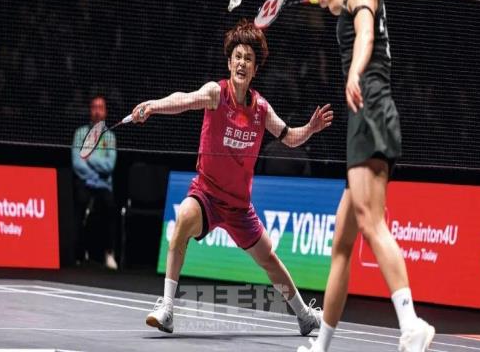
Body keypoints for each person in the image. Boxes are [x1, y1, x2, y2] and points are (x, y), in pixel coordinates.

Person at [131, 19, 333, 335]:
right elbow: (184, 100)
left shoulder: (261, 109)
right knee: (183, 220)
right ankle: (167, 309)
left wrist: (310, 128)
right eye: (237, 56)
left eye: (248, 59)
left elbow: (290, 137)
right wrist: (153, 106)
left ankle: (305, 316)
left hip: (239, 206)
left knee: (269, 259)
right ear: (229, 62)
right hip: (207, 195)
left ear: (255, 69)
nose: (241, 63)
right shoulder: (216, 94)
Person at [297, 0, 435, 352]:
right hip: (374, 112)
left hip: (368, 107)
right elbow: (349, 4)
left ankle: (411, 324)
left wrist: (355, 72)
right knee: (342, 243)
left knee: (373, 223)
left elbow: (364, 34)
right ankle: (321, 346)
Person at [72, 95, 118, 270]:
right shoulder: (80, 133)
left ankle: (109, 253)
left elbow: (109, 165)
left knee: (110, 206)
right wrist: (94, 173)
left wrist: (89, 157)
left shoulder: (110, 137)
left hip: (103, 184)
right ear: (90, 110)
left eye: (101, 108)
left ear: (105, 112)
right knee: (80, 202)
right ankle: (79, 253)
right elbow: (77, 163)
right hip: (85, 181)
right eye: (94, 107)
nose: (97, 111)